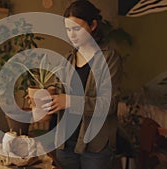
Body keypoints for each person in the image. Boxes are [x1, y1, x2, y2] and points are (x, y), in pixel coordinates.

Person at [41, 1, 123, 169]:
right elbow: (58, 87)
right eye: (68, 29)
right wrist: (48, 92)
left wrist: (70, 101)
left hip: (96, 147)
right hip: (65, 143)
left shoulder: (109, 59)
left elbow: (109, 105)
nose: (72, 35)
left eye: (77, 29)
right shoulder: (68, 59)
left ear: (93, 25)